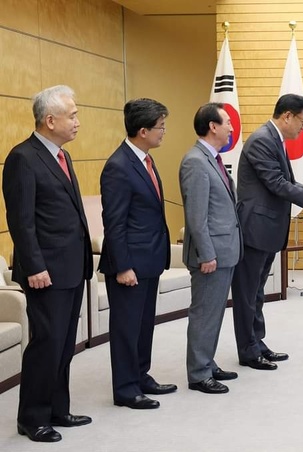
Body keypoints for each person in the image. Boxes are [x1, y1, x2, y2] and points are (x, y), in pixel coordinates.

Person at [3, 85, 93, 442]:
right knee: (47, 342)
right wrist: (35, 265)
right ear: (50, 119)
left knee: (64, 342)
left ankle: (58, 408)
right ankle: (32, 417)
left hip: (71, 266)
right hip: (45, 272)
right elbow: (21, 220)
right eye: (72, 115)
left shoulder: (62, 156)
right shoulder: (23, 157)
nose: (77, 122)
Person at [231, 94, 303, 370]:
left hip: (267, 228)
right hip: (256, 227)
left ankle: (257, 342)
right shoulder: (262, 139)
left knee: (257, 292)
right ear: (287, 116)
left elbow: (287, 181)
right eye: (302, 121)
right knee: (247, 292)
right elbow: (276, 183)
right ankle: (248, 350)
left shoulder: (274, 139)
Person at [99, 98, 176, 410]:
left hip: (150, 259)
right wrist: (123, 266)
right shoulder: (118, 166)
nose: (164, 132)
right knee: (126, 328)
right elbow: (114, 223)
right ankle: (126, 388)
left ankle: (141, 374)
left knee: (144, 324)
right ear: (142, 131)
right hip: (129, 264)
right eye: (160, 127)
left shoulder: (145, 158)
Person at [180, 103, 243, 394]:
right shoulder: (195, 161)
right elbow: (196, 216)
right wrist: (206, 253)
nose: (232, 128)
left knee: (215, 311)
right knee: (205, 312)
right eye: (227, 122)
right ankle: (199, 373)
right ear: (212, 126)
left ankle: (207, 362)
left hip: (224, 249)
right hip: (211, 254)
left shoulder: (212, 158)